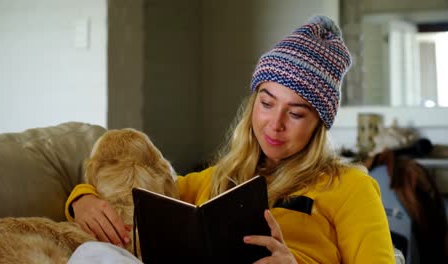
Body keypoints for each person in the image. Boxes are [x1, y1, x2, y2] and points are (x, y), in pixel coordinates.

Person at [65, 15, 395, 263]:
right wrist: (83, 199)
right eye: (266, 103)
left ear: (319, 124)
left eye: (295, 114)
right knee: (93, 254)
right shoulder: (217, 178)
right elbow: (147, 196)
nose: (275, 124)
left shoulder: (350, 187)